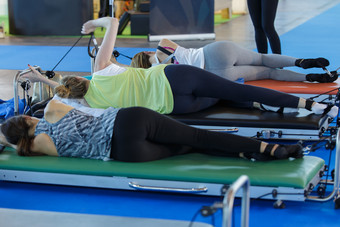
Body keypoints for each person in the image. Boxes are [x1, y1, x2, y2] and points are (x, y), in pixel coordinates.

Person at [22, 17, 338, 118]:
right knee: (258, 70)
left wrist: (42, 79)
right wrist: (93, 25)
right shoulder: (112, 66)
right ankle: (307, 87)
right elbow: (114, 25)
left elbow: (66, 92)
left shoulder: (90, 102)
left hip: (177, 105)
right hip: (189, 70)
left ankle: (288, 101)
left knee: (233, 92)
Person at [0, 99, 304, 162]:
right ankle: (267, 148)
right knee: (198, 136)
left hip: (126, 153)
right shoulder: (51, 110)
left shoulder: (34, 148)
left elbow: (9, 142)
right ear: (27, 118)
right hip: (128, 121)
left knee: (192, 146)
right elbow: (69, 94)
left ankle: (248, 152)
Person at [130, 38, 338, 83]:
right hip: (215, 52)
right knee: (263, 58)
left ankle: (310, 78)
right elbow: (166, 43)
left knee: (268, 73)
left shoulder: (155, 75)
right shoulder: (162, 47)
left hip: (217, 74)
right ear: (147, 54)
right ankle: (300, 61)